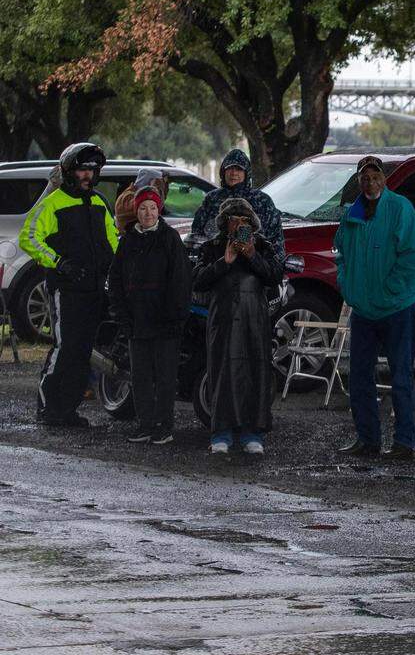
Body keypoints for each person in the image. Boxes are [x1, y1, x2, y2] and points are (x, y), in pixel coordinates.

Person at [334, 156, 415, 460]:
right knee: (359, 375)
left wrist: (391, 288)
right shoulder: (352, 213)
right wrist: (349, 287)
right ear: (358, 180)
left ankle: (404, 442)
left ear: (384, 179)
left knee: (401, 375)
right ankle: (368, 439)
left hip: (396, 307)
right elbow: (342, 255)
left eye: (375, 176)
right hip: (363, 309)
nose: (370, 182)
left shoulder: (400, 208)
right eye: (364, 177)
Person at [19, 142, 118, 427]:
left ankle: (69, 409)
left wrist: (119, 268)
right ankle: (49, 408)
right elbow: (29, 237)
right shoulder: (53, 203)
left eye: (92, 170)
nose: (88, 175)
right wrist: (58, 262)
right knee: (66, 347)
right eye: (82, 170)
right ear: (69, 172)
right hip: (66, 288)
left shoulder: (99, 202)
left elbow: (112, 242)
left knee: (84, 350)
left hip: (96, 288)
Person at [192, 198, 283, 455]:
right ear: (225, 223)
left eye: (244, 221)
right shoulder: (212, 248)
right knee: (221, 372)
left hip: (254, 318)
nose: (239, 225)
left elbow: (275, 274)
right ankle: (221, 431)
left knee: (256, 372)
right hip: (223, 319)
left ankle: (252, 432)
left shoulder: (262, 246)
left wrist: (252, 255)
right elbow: (197, 280)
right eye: (234, 220)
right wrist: (225, 261)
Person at [108, 186, 192, 445]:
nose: (147, 213)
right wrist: (123, 316)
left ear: (159, 210)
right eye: (143, 208)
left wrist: (175, 317)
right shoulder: (129, 241)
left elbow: (180, 280)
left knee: (165, 377)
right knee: (141, 376)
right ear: (136, 210)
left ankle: (164, 426)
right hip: (136, 321)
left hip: (165, 322)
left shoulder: (169, 238)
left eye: (152, 208)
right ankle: (145, 424)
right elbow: (117, 279)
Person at [192, 149, 285, 261]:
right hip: (217, 262)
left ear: (246, 173)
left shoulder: (262, 200)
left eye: (239, 169)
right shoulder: (212, 199)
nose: (234, 173)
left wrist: (275, 264)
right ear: (223, 171)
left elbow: (275, 239)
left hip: (253, 263)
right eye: (230, 168)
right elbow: (197, 233)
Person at [113, 169, 169, 234]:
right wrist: (155, 187)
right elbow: (154, 204)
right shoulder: (127, 198)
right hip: (131, 240)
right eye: (160, 183)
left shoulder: (130, 194)